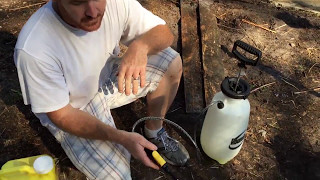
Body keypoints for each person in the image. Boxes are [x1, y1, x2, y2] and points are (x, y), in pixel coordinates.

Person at [14, 0, 189, 179]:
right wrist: (120, 137)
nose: (92, 11)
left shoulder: (116, 3)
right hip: (74, 108)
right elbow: (61, 115)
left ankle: (154, 132)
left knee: (170, 62)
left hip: (106, 77)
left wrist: (141, 46)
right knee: (117, 176)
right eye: (77, 2)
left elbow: (164, 34)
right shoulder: (34, 48)